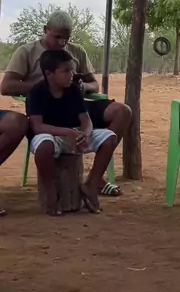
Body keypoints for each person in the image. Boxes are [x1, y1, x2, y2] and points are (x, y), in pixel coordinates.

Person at [1, 10, 131, 196]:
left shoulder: (76, 51)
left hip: (76, 103)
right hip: (46, 108)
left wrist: (82, 86)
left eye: (66, 38)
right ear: (45, 29)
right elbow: (6, 86)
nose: (62, 42)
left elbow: (94, 84)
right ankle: (51, 189)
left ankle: (95, 179)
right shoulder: (27, 52)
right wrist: (46, 86)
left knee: (122, 111)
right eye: (57, 37)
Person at [26, 49, 118, 215]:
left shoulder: (73, 90)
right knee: (44, 145)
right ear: (49, 73)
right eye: (66, 71)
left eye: (72, 70)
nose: (72, 74)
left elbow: (86, 120)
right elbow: (38, 127)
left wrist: (86, 134)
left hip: (74, 134)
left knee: (109, 138)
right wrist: (67, 132)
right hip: (49, 136)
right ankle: (50, 190)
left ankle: (91, 184)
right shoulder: (36, 92)